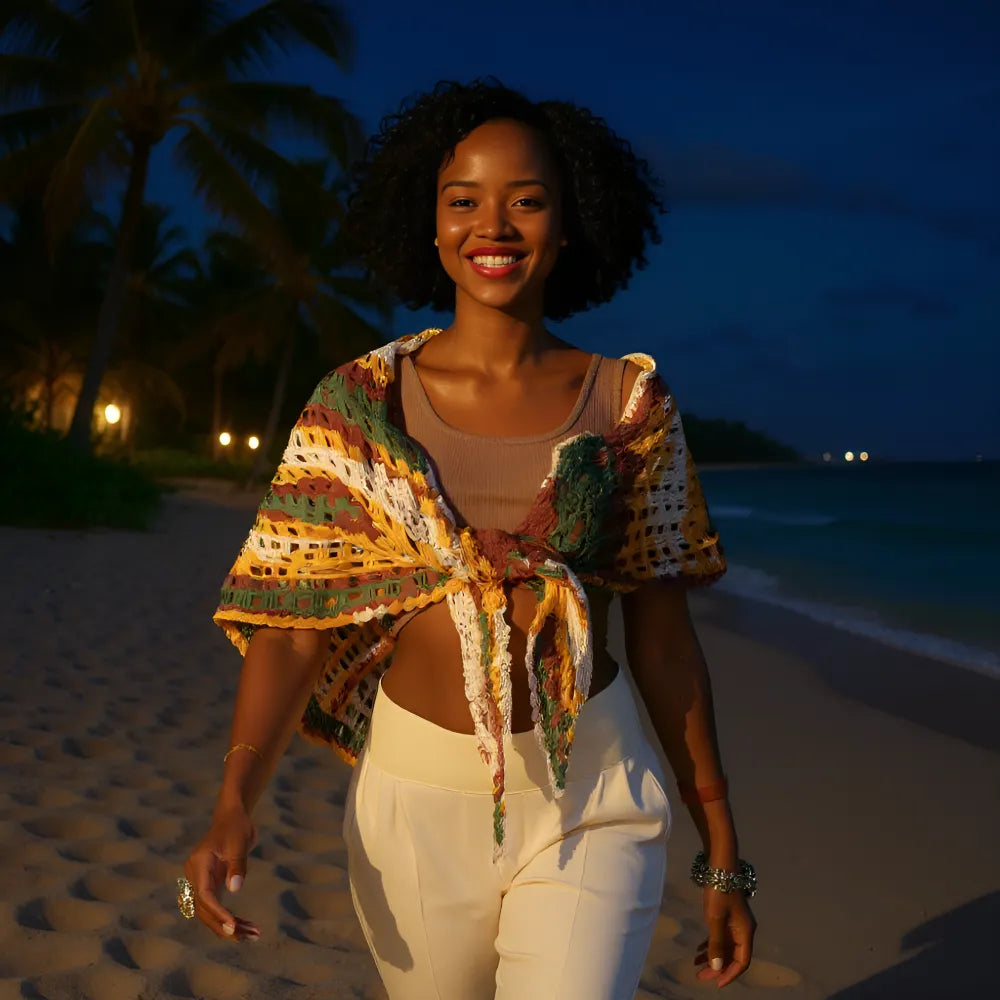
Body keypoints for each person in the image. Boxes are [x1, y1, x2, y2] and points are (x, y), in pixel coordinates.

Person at [180, 78, 757, 998]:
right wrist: (232, 802)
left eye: (527, 202)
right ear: (432, 223)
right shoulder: (355, 408)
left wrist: (722, 847)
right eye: (464, 203)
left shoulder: (630, 405)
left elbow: (663, 641)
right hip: (413, 802)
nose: (495, 226)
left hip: (592, 795)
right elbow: (293, 628)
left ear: (569, 226)